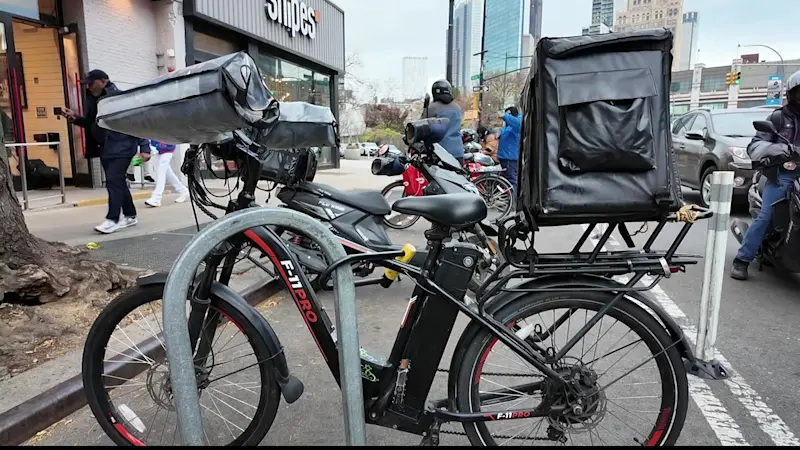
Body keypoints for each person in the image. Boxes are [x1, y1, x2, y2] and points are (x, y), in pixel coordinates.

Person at [62, 69, 152, 234]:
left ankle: (112, 219)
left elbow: (135, 122)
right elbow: (91, 124)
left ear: (103, 81)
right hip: (105, 148)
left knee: (113, 182)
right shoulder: (94, 100)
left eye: (91, 83)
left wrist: (145, 148)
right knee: (118, 182)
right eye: (87, 84)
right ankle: (130, 215)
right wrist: (75, 118)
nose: (89, 87)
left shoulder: (119, 98)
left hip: (123, 147)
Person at [730, 69, 800, 280]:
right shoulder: (779, 118)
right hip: (782, 175)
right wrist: (780, 150)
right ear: (791, 93)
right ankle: (742, 260)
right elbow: (756, 145)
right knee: (766, 216)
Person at [423, 79, 464, 164]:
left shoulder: (431, 108)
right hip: (458, 152)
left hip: (439, 154)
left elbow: (422, 127)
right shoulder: (457, 108)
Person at [144, 140, 189, 207]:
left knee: (161, 172)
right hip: (156, 147)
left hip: (167, 146)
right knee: (167, 173)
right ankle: (183, 190)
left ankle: (156, 197)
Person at [496, 106, 521, 192]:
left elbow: (517, 124)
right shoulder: (508, 126)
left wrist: (505, 116)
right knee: (507, 180)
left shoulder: (517, 123)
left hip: (510, 158)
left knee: (511, 181)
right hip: (505, 157)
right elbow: (503, 130)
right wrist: (499, 133)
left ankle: (513, 199)